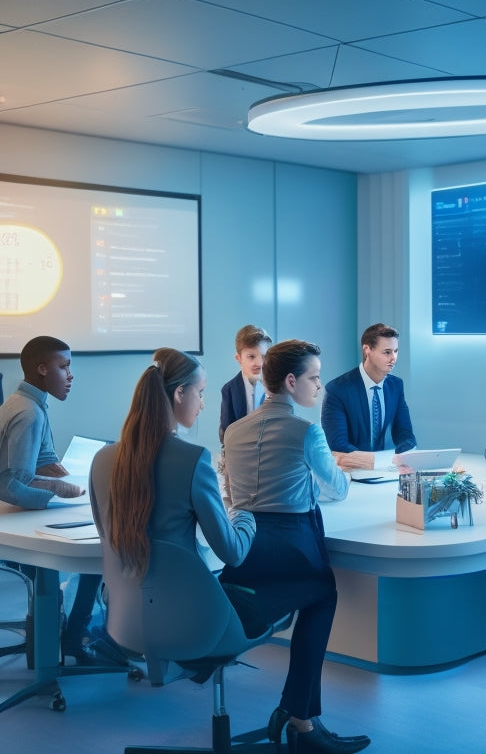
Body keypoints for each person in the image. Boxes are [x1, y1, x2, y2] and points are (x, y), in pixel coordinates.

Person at [220, 340, 370, 754]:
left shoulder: (234, 431)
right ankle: (300, 718)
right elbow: (336, 490)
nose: (319, 386)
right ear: (291, 381)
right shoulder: (306, 430)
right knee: (323, 595)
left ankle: (304, 717)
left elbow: (231, 494)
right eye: (314, 377)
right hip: (293, 548)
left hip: (244, 552)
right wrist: (338, 476)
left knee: (314, 596)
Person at [89, 347, 258, 663]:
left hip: (124, 623)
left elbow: (106, 536)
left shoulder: (101, 460)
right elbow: (233, 552)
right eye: (201, 393)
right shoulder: (193, 460)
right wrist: (245, 509)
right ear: (180, 392)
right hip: (192, 624)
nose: (204, 404)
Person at [0, 336, 101, 663]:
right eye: (64, 366)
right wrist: (60, 490)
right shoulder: (29, 413)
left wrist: (80, 476)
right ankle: (70, 638)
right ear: (42, 369)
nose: (70, 375)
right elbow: (14, 480)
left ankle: (63, 633)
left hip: (14, 511)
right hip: (15, 513)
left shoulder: (28, 402)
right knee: (95, 555)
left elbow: (43, 461)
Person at [321, 323, 416, 471]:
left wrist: (402, 456)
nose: (393, 358)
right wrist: (381, 461)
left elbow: (405, 434)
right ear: (367, 350)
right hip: (349, 473)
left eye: (396, 351)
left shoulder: (396, 386)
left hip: (382, 471)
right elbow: (338, 444)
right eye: (387, 352)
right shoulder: (337, 389)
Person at [219, 324, 273, 441]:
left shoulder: (274, 386)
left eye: (263, 357)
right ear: (239, 358)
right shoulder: (229, 389)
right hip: (241, 447)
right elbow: (226, 429)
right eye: (251, 357)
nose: (259, 364)